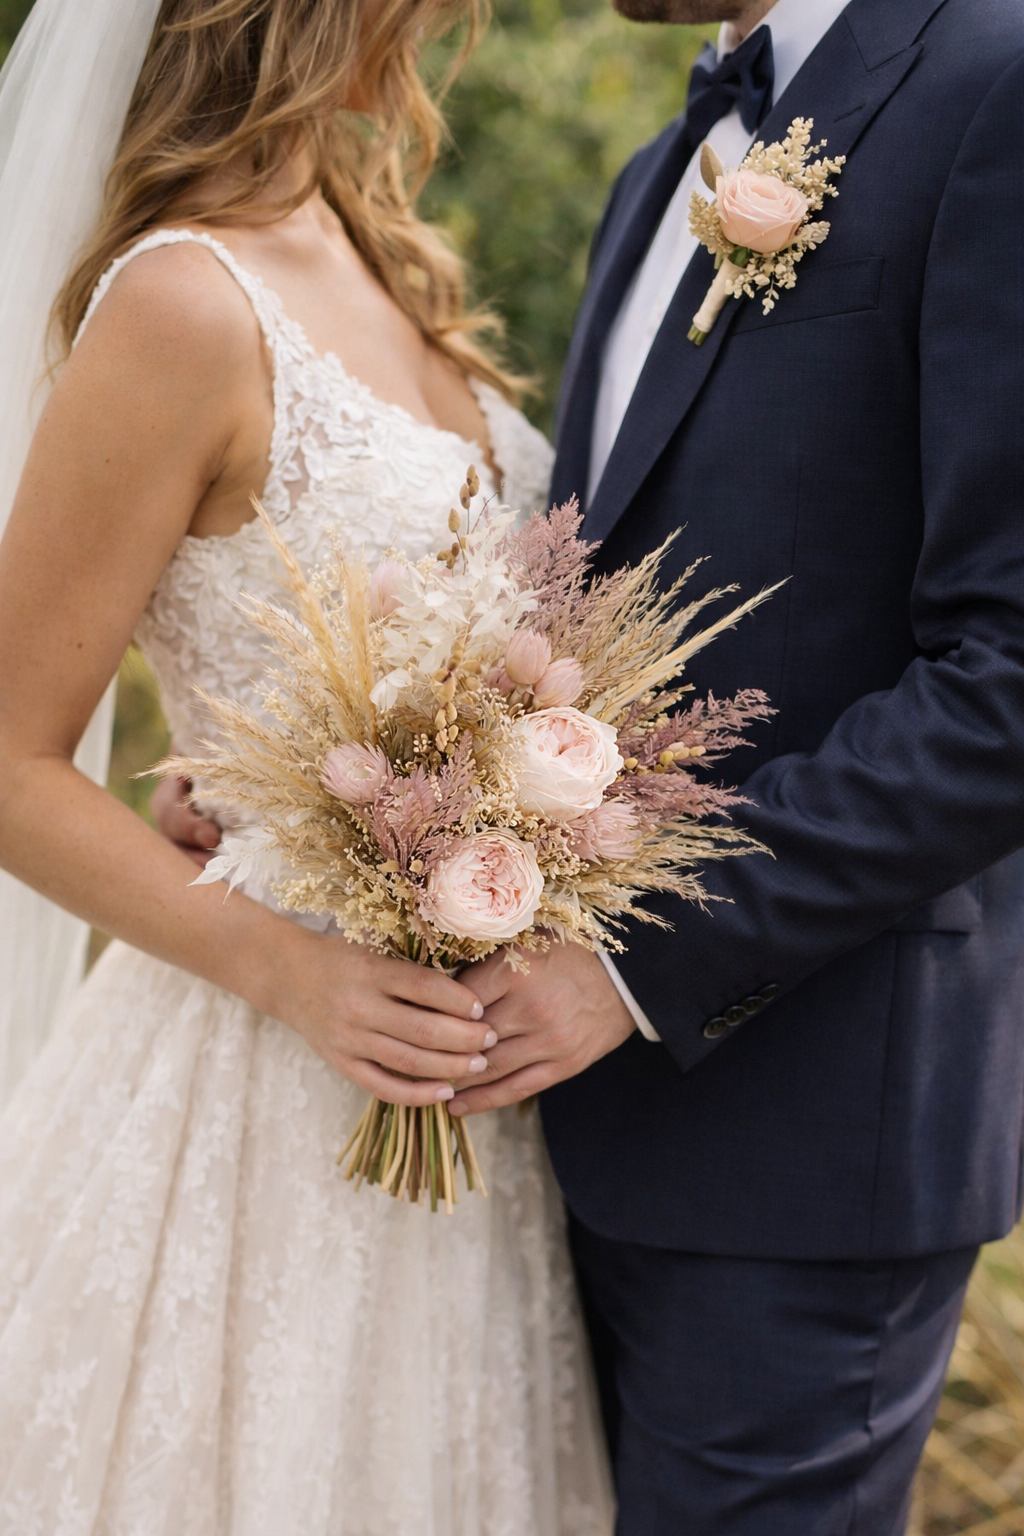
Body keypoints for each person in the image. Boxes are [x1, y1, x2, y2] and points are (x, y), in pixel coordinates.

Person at [170, 0, 1024, 1530]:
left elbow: (1007, 681)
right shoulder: (658, 174)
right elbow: (581, 617)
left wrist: (633, 964)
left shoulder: (995, 81)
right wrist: (311, 791)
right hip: (544, 1156)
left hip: (808, 1144)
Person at [0, 0, 615, 1530]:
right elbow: (9, 759)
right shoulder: (182, 301)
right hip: (257, 1079)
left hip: (477, 1115)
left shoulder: (381, 253)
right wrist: (295, 971)